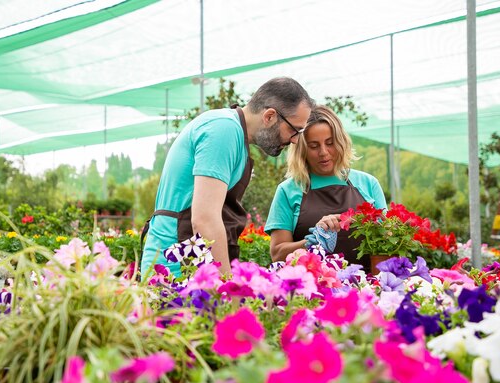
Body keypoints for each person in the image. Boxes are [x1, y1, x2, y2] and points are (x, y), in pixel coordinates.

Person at [141, 77, 313, 277]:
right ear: (269, 116)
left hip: (188, 263)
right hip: (174, 269)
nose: (294, 140)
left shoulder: (234, 133)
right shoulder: (224, 130)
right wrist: (226, 285)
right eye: (294, 130)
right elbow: (205, 219)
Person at [265, 104, 387, 269]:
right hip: (314, 290)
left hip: (366, 289)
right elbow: (277, 253)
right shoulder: (288, 190)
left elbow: (387, 242)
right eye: (314, 146)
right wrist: (312, 241)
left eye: (330, 143)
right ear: (301, 149)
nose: (323, 152)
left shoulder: (368, 184)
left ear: (341, 142)